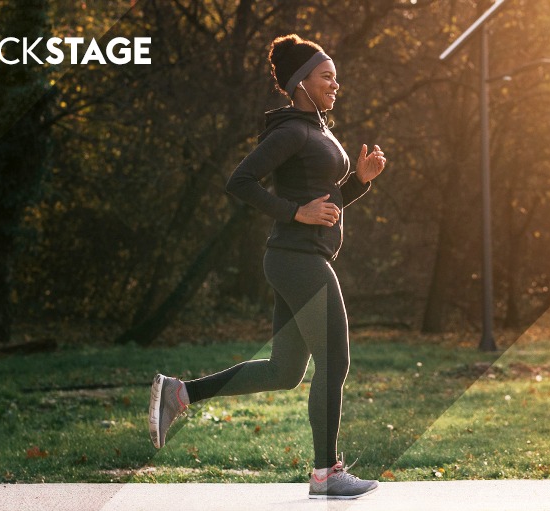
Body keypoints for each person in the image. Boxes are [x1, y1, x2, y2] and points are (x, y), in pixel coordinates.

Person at [148, 34, 386, 500]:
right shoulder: (292, 131)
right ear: (301, 81)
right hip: (298, 260)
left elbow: (325, 203)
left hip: (297, 258)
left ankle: (180, 395)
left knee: (284, 371)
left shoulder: (316, 128)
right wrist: (294, 213)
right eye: (326, 76)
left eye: (336, 76)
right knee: (334, 361)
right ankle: (326, 473)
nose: (336, 83)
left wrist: (358, 182)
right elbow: (240, 182)